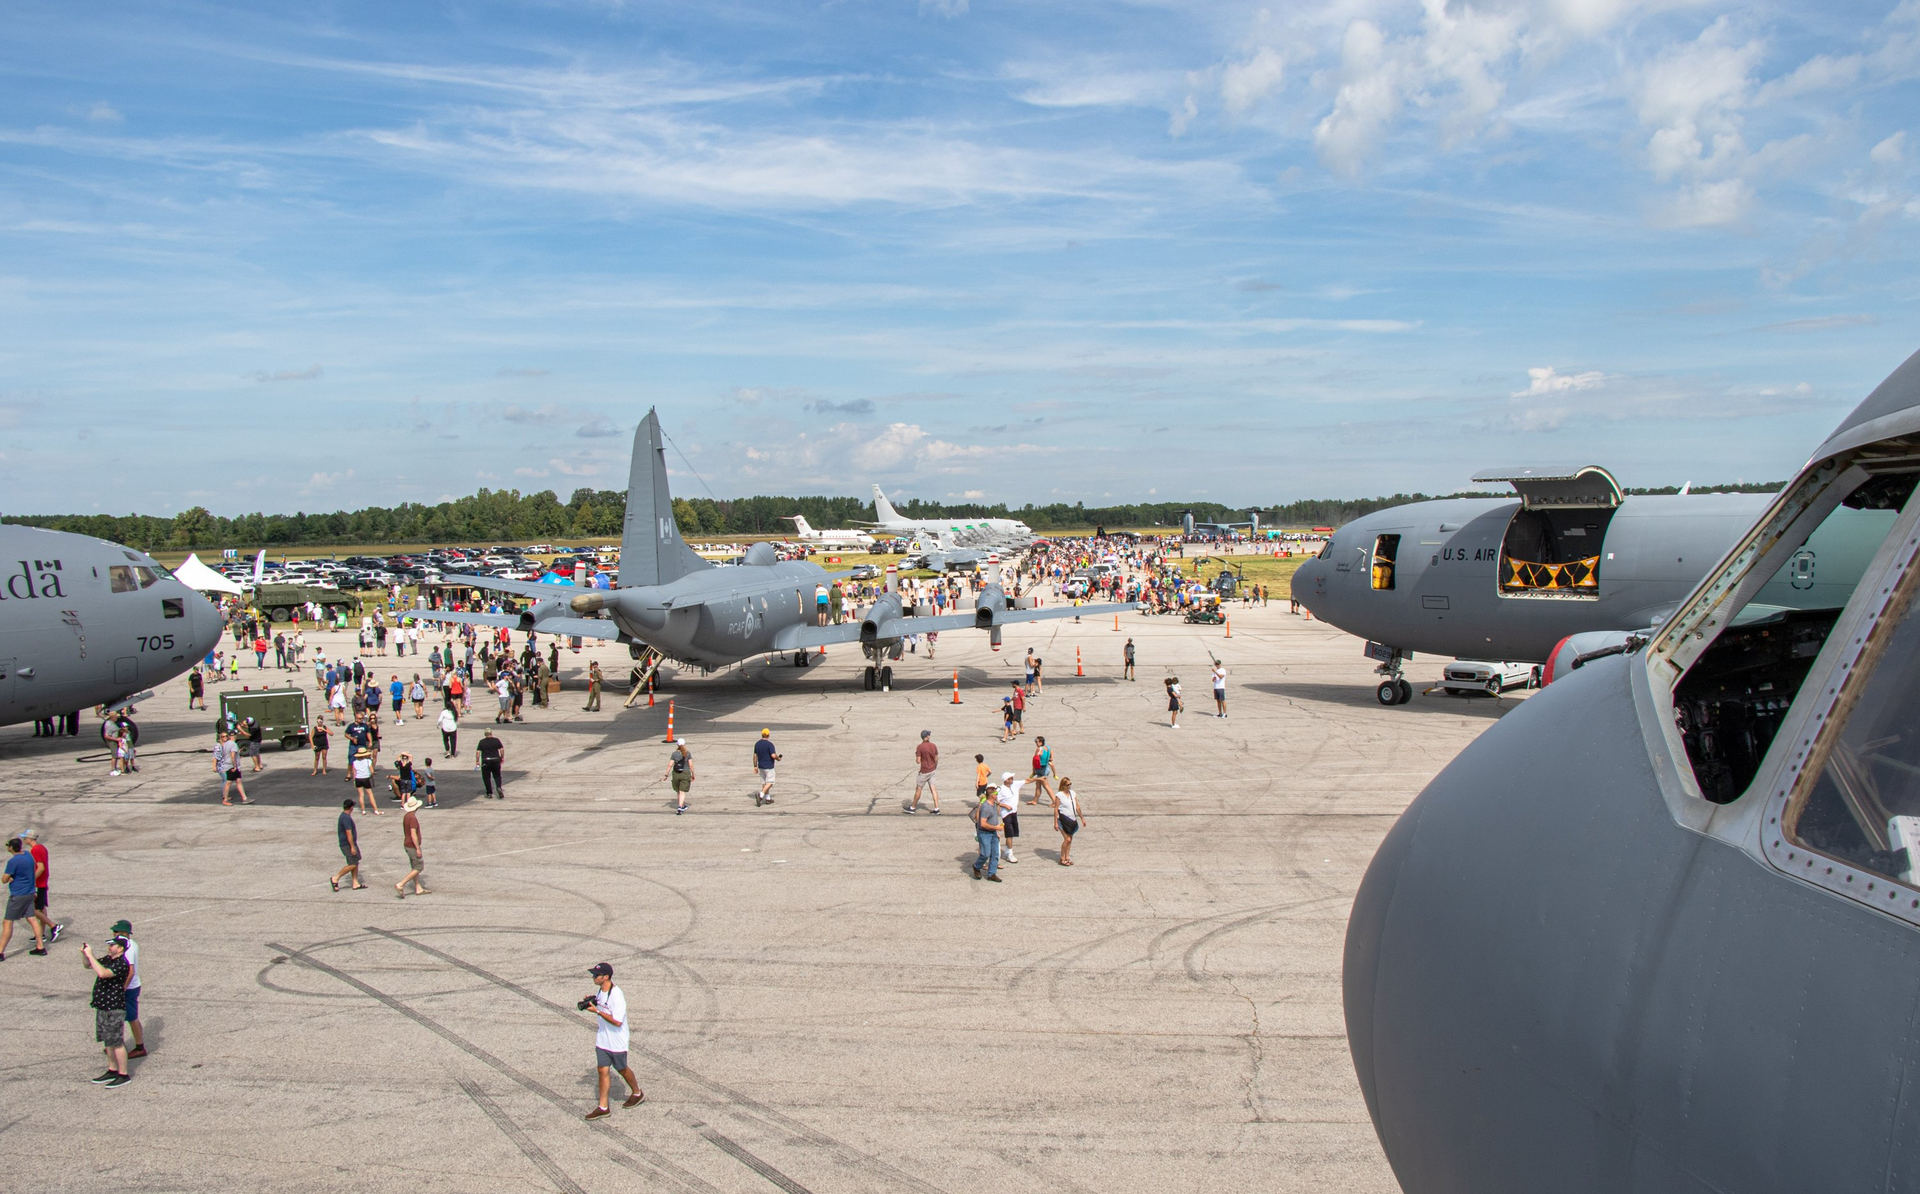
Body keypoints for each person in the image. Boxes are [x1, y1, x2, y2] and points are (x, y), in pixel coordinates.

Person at [582, 961, 644, 1119]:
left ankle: (637, 1092)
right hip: (603, 1039)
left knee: (622, 1069)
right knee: (602, 1070)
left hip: (617, 1041)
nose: (594, 977)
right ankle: (603, 1107)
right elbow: (602, 1005)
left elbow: (617, 1021)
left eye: (597, 975)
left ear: (606, 977)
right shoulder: (601, 991)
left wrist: (597, 1011)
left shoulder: (616, 995)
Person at [83, 936, 133, 1087]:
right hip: (103, 1006)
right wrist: (85, 955)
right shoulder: (108, 959)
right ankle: (112, 1069)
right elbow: (89, 966)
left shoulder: (121, 964)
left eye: (112, 945)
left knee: (116, 1041)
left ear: (120, 948)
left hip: (114, 1007)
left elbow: (103, 973)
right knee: (108, 1040)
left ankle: (123, 1074)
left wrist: (91, 955)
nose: (109, 948)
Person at [1, 837, 45, 958]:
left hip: (18, 895)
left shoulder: (13, 861)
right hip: (29, 892)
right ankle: (40, 946)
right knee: (31, 918)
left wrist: (10, 878)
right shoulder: (27, 855)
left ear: (11, 847)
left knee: (7, 922)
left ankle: (0, 951)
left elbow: (4, 879)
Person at [110, 919, 147, 1057]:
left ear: (125, 932)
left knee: (132, 1017)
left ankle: (139, 1047)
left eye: (116, 932)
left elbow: (130, 972)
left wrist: (122, 988)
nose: (114, 934)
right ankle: (115, 1044)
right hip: (129, 986)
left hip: (129, 987)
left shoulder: (129, 947)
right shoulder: (129, 944)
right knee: (120, 1016)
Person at [22, 830, 62, 946]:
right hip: (42, 883)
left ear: (30, 839)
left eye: (25, 838)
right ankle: (41, 933)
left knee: (32, 910)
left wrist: (31, 881)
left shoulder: (35, 850)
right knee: (41, 908)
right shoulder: (41, 847)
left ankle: (53, 926)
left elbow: (41, 867)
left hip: (39, 884)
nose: (24, 840)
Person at [395, 797, 429, 898]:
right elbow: (413, 834)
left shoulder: (407, 816)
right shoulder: (413, 818)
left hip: (407, 844)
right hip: (412, 845)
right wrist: (418, 848)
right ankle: (401, 884)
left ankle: (418, 888)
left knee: (414, 867)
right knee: (419, 867)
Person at [970, 788, 1004, 882]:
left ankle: (992, 874)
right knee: (985, 854)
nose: (997, 795)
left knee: (995, 854)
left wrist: (996, 831)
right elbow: (983, 824)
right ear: (992, 795)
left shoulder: (994, 804)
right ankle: (977, 866)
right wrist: (996, 828)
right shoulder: (986, 807)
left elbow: (994, 819)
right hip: (985, 833)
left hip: (993, 833)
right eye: (996, 793)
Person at [332, 799, 365, 891]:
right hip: (347, 844)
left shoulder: (344, 816)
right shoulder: (346, 818)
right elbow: (348, 833)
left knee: (355, 862)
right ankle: (335, 878)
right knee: (352, 864)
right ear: (351, 808)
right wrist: (352, 847)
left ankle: (355, 882)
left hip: (350, 843)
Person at [214, 732, 253, 805]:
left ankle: (244, 798)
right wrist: (234, 766)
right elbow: (232, 756)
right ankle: (225, 800)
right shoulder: (234, 744)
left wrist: (238, 753)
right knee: (228, 782)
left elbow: (227, 754)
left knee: (238, 781)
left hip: (229, 765)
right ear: (235, 736)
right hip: (232, 766)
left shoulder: (226, 744)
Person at [1053, 777, 1084, 866]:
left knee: (1070, 840)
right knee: (1067, 839)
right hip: (1062, 820)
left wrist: (1082, 818)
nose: (1069, 786)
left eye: (1070, 784)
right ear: (1063, 786)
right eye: (1068, 785)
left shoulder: (1072, 793)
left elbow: (1077, 806)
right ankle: (1062, 858)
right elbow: (1056, 809)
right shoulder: (1059, 795)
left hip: (1072, 820)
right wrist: (1055, 822)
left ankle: (1067, 857)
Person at [907, 729, 939, 814]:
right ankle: (937, 808)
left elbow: (918, 761)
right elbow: (936, 758)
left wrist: (917, 755)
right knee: (933, 790)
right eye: (929, 734)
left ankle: (913, 807)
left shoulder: (920, 747)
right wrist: (934, 767)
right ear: (927, 737)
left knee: (919, 789)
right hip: (932, 770)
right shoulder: (933, 745)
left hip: (924, 771)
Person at [995, 772, 1022, 864]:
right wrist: (1005, 805)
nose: (1013, 779)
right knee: (1009, 834)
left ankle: (1007, 851)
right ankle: (1010, 853)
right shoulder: (1000, 789)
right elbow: (995, 800)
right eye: (1011, 778)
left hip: (1014, 812)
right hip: (1006, 814)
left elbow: (1027, 781)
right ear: (1007, 780)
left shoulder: (1013, 786)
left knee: (1012, 833)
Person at [752, 729, 779, 807]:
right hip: (769, 766)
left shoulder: (757, 744)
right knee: (770, 782)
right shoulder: (769, 744)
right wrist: (778, 758)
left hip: (761, 766)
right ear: (768, 735)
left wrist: (755, 766)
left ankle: (768, 798)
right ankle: (761, 795)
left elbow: (755, 756)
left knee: (764, 783)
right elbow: (773, 755)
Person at [665, 742, 694, 814]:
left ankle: (681, 805)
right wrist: (693, 774)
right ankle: (680, 807)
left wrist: (666, 775)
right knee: (682, 791)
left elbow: (670, 765)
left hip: (676, 773)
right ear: (684, 744)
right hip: (685, 773)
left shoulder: (674, 754)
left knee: (678, 791)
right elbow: (690, 765)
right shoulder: (688, 753)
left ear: (677, 745)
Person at [351, 747, 381, 815]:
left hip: (358, 779)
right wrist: (371, 775)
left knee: (361, 795)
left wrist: (354, 781)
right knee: (370, 794)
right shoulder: (368, 761)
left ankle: (363, 810)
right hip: (366, 778)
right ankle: (376, 810)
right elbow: (372, 771)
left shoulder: (355, 762)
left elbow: (354, 773)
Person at [476, 729, 505, 798]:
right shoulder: (496, 740)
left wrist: (477, 761)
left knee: (486, 777)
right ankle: (498, 787)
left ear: (485, 734)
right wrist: (502, 757)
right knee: (497, 775)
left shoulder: (482, 742)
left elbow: (478, 752)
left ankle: (489, 793)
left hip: (486, 761)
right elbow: (501, 749)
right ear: (491, 733)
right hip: (495, 760)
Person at [1027, 736, 1055, 804]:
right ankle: (1035, 800)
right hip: (1046, 768)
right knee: (1038, 785)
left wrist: (1033, 772)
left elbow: (1035, 760)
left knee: (1046, 786)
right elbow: (1051, 753)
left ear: (1041, 742)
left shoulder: (1039, 749)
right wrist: (1050, 758)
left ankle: (1055, 801)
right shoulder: (1047, 747)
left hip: (1041, 770)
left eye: (1037, 741)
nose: (1036, 743)